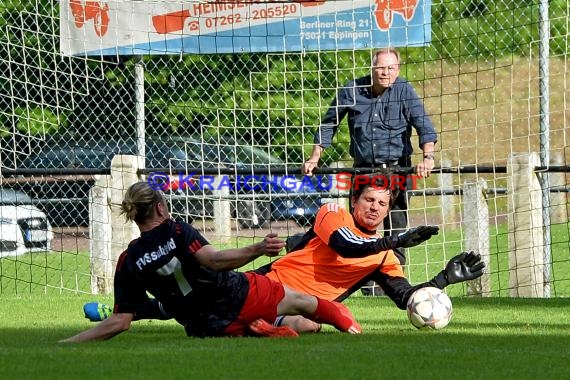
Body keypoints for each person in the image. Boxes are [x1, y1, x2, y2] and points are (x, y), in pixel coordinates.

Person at [84, 174, 484, 334]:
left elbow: (406, 300)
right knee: (198, 295)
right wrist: (391, 242)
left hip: (298, 305)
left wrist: (443, 281)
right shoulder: (334, 213)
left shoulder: (383, 257)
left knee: (194, 301)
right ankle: (127, 311)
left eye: (382, 202)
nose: (375, 208)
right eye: (369, 200)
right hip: (272, 281)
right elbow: (347, 246)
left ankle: (127, 311)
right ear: (354, 199)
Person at [61, 181, 362, 343]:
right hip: (239, 297)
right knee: (304, 303)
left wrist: (72, 342)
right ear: (161, 207)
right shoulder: (176, 229)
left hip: (207, 326)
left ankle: (266, 330)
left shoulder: (129, 259)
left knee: (293, 325)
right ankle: (351, 329)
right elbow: (215, 261)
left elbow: (120, 321)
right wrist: (258, 247)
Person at [302, 47, 438, 266]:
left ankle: (395, 279)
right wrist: (314, 157)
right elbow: (329, 123)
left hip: (398, 169)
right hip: (363, 170)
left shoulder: (404, 90)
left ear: (398, 69)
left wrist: (428, 158)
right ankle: (365, 284)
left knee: (396, 230)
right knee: (358, 228)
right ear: (372, 68)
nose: (386, 73)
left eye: (391, 68)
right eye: (381, 68)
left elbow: (424, 125)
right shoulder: (352, 89)